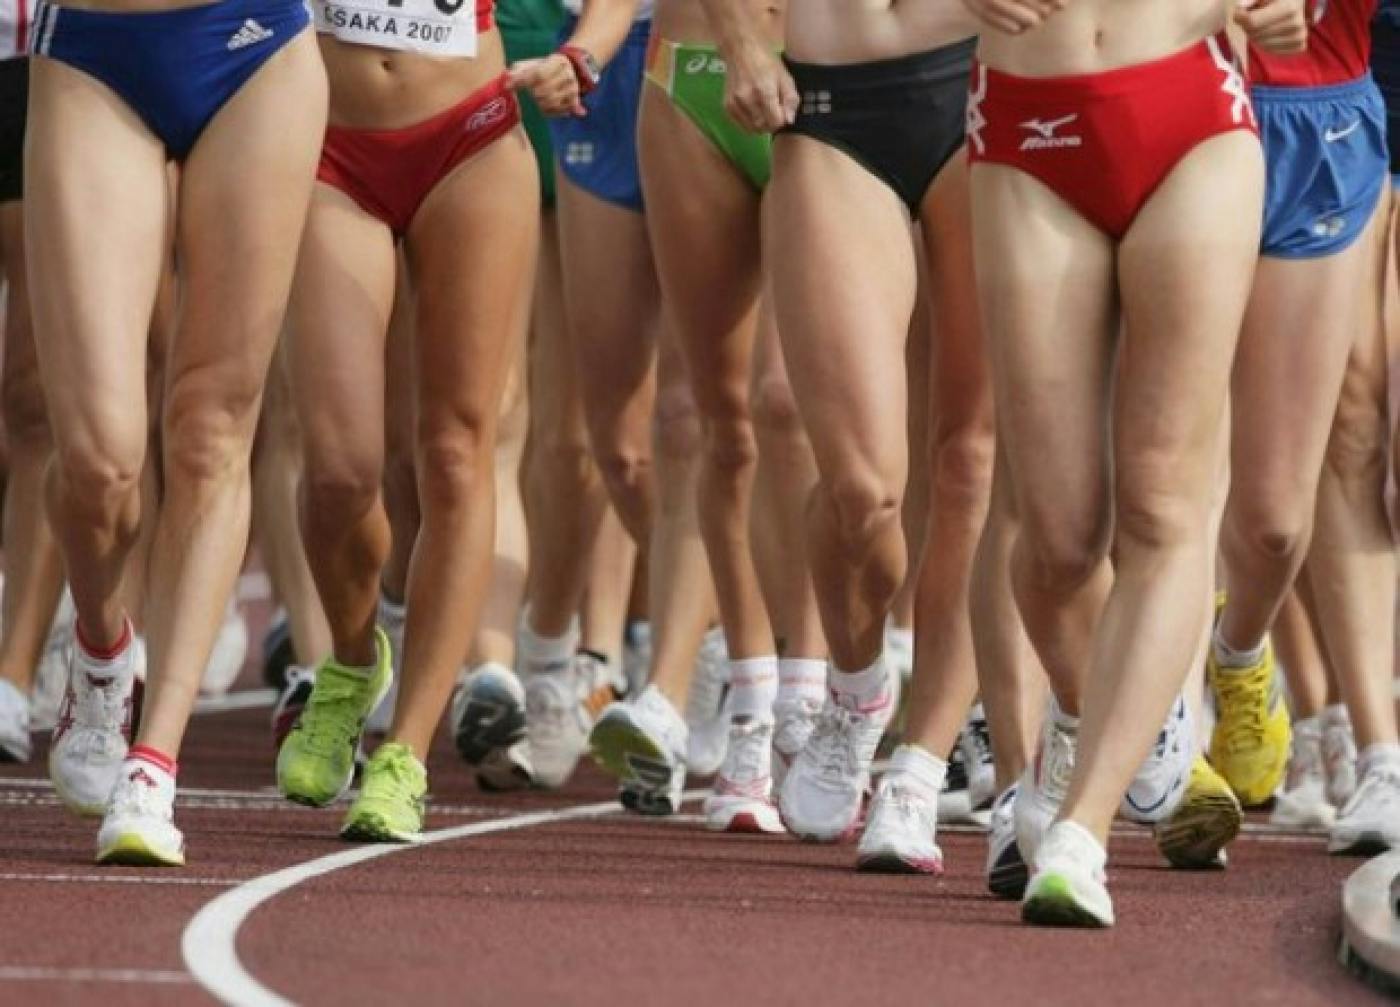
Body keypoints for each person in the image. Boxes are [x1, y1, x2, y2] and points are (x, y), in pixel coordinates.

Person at [960, 0, 1305, 925]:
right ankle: (1091, 713)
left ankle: (1083, 832)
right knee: (1057, 541)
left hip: (1191, 107)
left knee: (1161, 502)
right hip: (1030, 120)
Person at [275, 0, 640, 843]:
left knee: (455, 449)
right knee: (339, 468)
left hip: (470, 132)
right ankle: (353, 662)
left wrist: (580, 56)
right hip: (326, 138)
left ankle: (404, 753)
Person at [27, 0, 327, 865]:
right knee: (100, 461)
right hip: (94, 50)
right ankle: (101, 648)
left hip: (257, 46)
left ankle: (153, 762)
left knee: (211, 429)